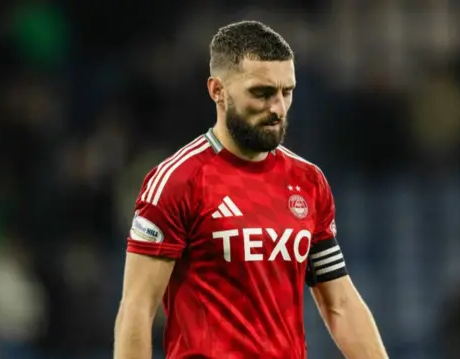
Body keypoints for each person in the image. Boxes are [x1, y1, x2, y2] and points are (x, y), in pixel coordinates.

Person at [114, 20, 388, 359]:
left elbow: (340, 304)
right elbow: (137, 308)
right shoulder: (176, 181)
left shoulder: (308, 181)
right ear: (217, 90)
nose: (277, 108)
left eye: (286, 92)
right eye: (261, 93)